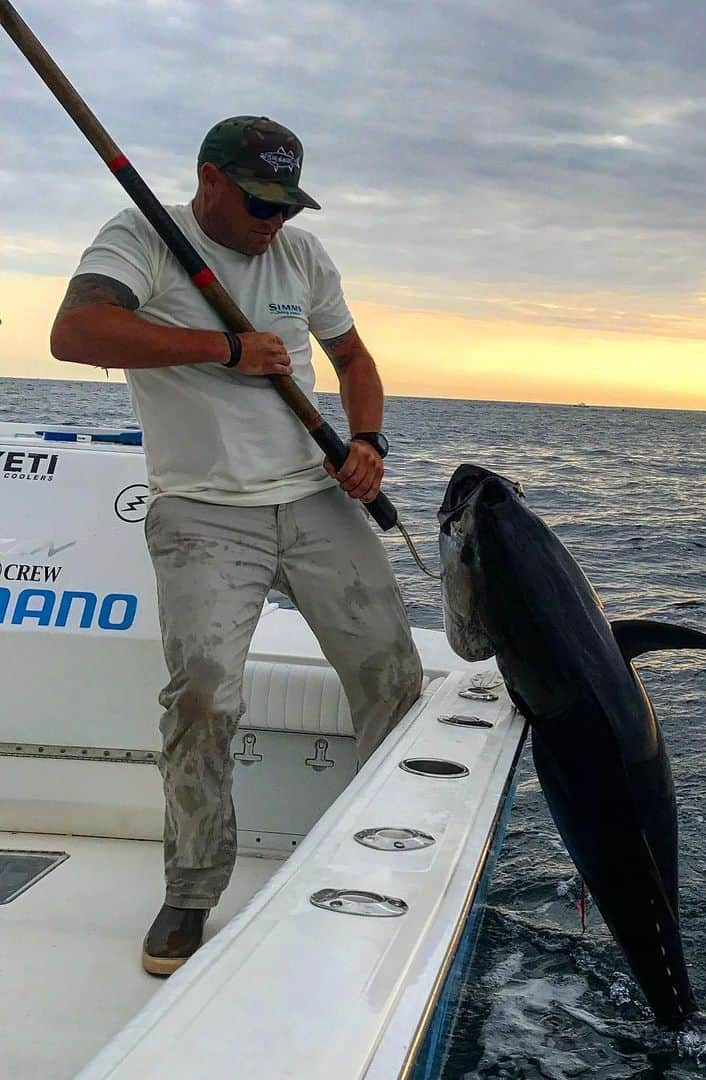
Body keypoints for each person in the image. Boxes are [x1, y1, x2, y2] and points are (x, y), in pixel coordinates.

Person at [50, 116, 423, 976]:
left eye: (287, 205)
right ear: (209, 181)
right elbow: (76, 334)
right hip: (204, 513)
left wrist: (368, 442)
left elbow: (354, 356)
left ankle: (392, 856)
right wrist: (222, 348)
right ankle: (190, 890)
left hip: (316, 496)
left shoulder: (303, 256)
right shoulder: (141, 237)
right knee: (203, 700)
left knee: (392, 679)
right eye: (259, 203)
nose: (273, 223)